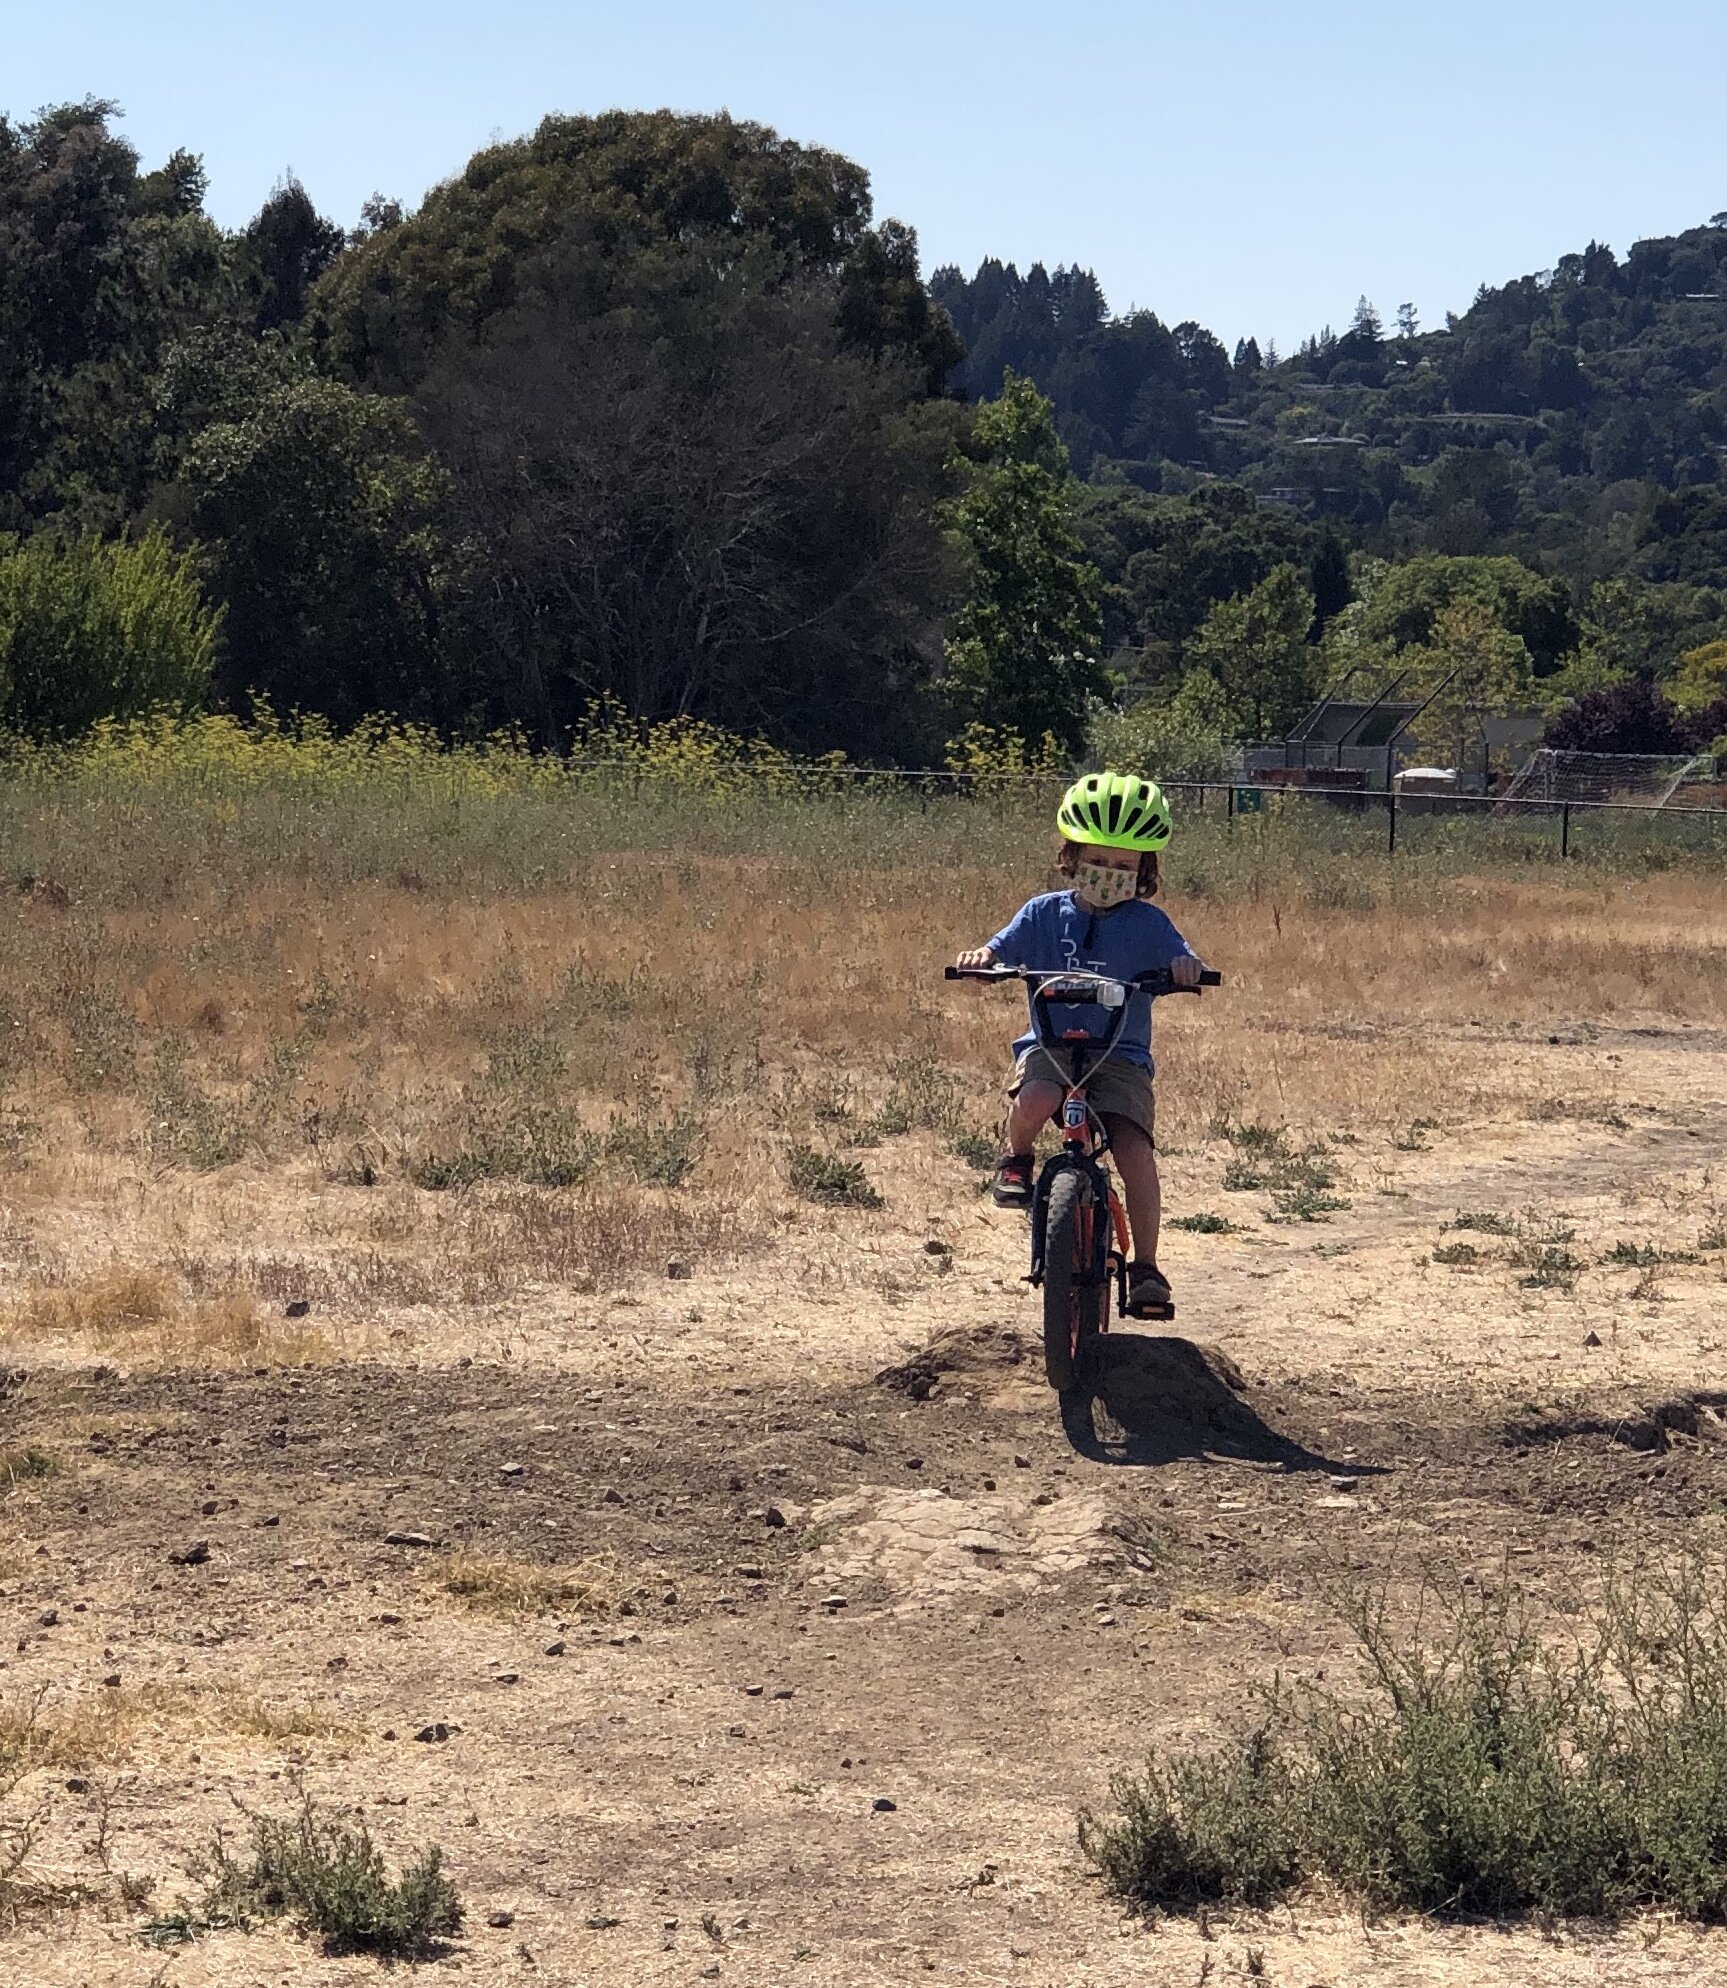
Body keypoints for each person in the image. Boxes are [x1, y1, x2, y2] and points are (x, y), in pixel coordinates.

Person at [953, 770, 1205, 1317]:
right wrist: (981, 961)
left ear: (1144, 871)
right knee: (1035, 1100)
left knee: (1134, 1149)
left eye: (1123, 866)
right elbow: (996, 950)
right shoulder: (1042, 912)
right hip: (1052, 1044)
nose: (1110, 875)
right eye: (1099, 862)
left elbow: (1184, 958)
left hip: (1119, 1056)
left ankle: (1147, 1267)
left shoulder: (1149, 923)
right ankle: (1016, 1159)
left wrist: (1187, 969)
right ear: (1072, 857)